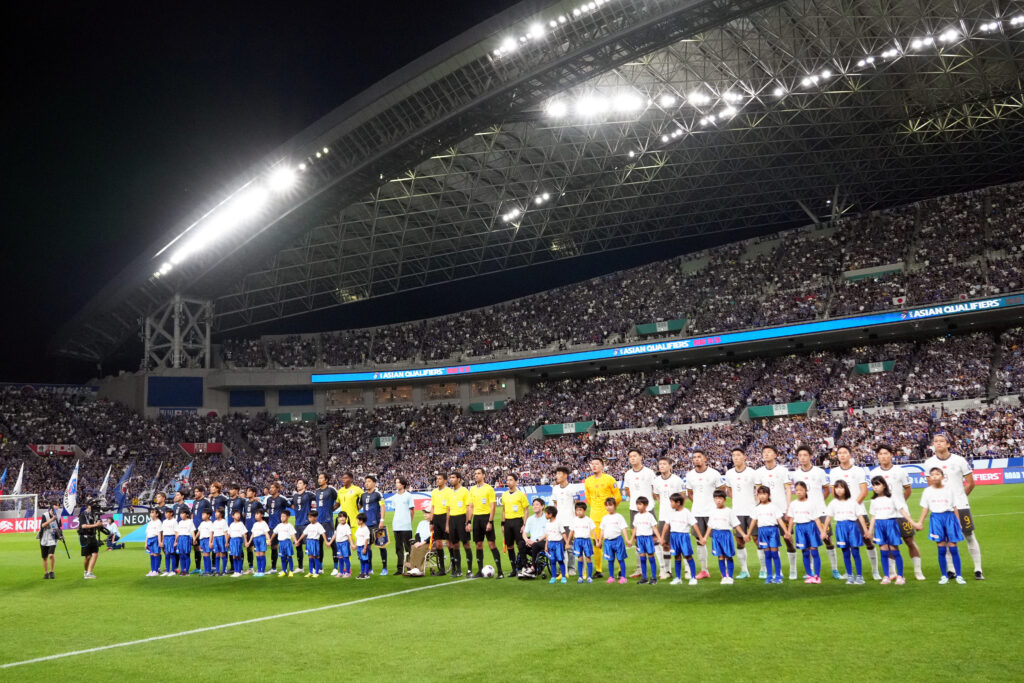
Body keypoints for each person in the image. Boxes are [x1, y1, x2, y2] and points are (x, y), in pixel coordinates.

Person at [923, 434, 983, 580]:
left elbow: (970, 482)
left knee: (969, 535)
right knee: (946, 538)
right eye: (936, 441)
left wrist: (960, 498)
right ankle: (951, 570)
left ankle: (978, 569)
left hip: (961, 506)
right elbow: (931, 486)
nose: (938, 444)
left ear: (948, 444)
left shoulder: (959, 460)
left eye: (942, 441)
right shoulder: (929, 463)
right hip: (941, 508)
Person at [871, 444, 925, 580]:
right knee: (888, 544)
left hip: (900, 514)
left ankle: (918, 571)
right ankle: (892, 572)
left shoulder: (900, 471)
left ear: (891, 455)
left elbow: (908, 490)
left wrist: (900, 504)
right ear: (877, 456)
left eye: (886, 453)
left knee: (909, 541)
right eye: (880, 454)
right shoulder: (873, 473)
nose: (883, 456)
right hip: (884, 516)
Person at [829, 445, 881, 580]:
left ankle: (875, 570)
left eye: (844, 452)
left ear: (850, 455)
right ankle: (849, 572)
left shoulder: (858, 471)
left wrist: (853, 506)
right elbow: (834, 492)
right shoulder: (834, 472)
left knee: (868, 540)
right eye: (839, 453)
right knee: (846, 544)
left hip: (859, 512)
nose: (842, 455)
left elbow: (864, 491)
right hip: (843, 514)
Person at [792, 445, 840, 580]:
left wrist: (818, 503)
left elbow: (826, 490)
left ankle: (834, 569)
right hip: (805, 515)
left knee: (828, 540)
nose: (802, 458)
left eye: (805, 455)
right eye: (800, 455)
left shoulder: (819, 472)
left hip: (820, 512)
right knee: (808, 543)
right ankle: (811, 571)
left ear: (810, 456)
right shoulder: (796, 474)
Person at [915, 467, 967, 585]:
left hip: (949, 518)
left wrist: (958, 522)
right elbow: (925, 508)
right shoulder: (927, 491)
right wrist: (920, 522)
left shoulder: (949, 490)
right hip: (936, 519)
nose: (934, 476)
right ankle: (944, 575)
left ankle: (959, 575)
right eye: (932, 475)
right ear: (929, 477)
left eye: (937, 474)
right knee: (941, 548)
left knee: (953, 547)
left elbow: (954, 507)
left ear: (943, 477)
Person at [867, 476, 922, 585]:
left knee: (894, 550)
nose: (875, 487)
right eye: (873, 485)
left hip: (891, 524)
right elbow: (873, 516)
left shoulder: (892, 498)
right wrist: (870, 531)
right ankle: (887, 576)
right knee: (883, 551)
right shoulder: (874, 500)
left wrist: (914, 523)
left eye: (878, 484)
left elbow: (902, 512)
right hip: (879, 526)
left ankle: (900, 576)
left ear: (884, 485)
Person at [756, 445, 796, 580]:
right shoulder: (759, 472)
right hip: (767, 513)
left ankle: (793, 569)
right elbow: (757, 491)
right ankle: (776, 572)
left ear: (775, 455)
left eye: (769, 452)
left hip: (782, 510)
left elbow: (788, 490)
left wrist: (788, 508)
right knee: (771, 543)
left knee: (788, 539)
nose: (766, 454)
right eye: (764, 452)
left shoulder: (782, 470)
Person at [685, 450, 723, 580]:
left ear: (705, 458)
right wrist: (698, 503)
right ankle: (704, 570)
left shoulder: (714, 473)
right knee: (700, 541)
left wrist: (714, 504)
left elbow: (722, 490)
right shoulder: (690, 475)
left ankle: (725, 570)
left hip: (713, 512)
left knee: (719, 540)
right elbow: (689, 492)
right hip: (697, 513)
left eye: (699, 457)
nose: (696, 459)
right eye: (694, 457)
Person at [823, 480, 869, 585]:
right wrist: (824, 531)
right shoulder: (833, 503)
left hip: (853, 527)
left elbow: (860, 516)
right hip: (840, 527)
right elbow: (828, 517)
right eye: (836, 488)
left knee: (855, 552)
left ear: (846, 489)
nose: (839, 490)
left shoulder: (853, 502)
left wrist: (865, 531)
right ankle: (850, 576)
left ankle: (860, 576)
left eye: (841, 487)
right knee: (845, 553)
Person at [724, 448, 758, 580]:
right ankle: (744, 570)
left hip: (752, 511)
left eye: (738, 455)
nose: (735, 458)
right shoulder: (729, 473)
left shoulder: (752, 473)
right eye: (733, 455)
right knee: (739, 541)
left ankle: (763, 569)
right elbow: (730, 491)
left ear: (744, 457)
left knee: (757, 539)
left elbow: (758, 490)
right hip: (737, 512)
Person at [698, 490, 745, 585]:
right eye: (716, 499)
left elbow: (736, 524)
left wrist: (744, 535)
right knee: (720, 556)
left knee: (728, 556)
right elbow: (710, 526)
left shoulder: (729, 511)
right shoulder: (712, 512)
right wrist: (705, 538)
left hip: (726, 535)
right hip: (716, 535)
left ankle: (730, 577)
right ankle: (724, 576)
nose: (718, 501)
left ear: (724, 500)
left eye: (720, 498)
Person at [584, 458, 621, 578]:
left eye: (597, 464)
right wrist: (596, 508)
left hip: (608, 517)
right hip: (594, 517)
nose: (594, 466)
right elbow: (588, 498)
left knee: (613, 542)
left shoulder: (609, 479)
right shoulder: (588, 481)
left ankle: (620, 569)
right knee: (596, 543)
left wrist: (610, 509)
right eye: (592, 464)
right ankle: (598, 570)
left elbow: (618, 496)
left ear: (602, 466)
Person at [623, 449, 656, 578]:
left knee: (653, 538)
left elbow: (654, 489)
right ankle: (639, 569)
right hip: (634, 509)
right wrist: (635, 504)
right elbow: (628, 490)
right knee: (636, 538)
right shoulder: (628, 474)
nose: (632, 458)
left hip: (648, 508)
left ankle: (663, 569)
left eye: (635, 456)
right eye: (630, 456)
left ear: (641, 457)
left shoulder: (649, 472)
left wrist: (648, 503)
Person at [746, 485, 789, 584]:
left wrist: (786, 531)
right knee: (767, 554)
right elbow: (753, 521)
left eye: (764, 494)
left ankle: (778, 576)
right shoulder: (757, 508)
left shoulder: (774, 507)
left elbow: (779, 520)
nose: (762, 496)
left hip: (773, 530)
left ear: (768, 495)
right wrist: (748, 534)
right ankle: (769, 576)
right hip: (762, 531)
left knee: (774, 553)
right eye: (759, 494)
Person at [652, 456, 685, 580]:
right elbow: (656, 495)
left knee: (679, 543)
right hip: (663, 516)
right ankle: (667, 570)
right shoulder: (656, 481)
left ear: (670, 465)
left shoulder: (677, 480)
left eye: (664, 464)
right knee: (664, 543)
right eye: (660, 464)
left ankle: (686, 570)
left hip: (676, 517)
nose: (662, 466)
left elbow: (682, 496)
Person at [468, 468, 502, 578]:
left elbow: (493, 507)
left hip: (486, 517)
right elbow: (471, 506)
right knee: (478, 544)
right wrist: (468, 521)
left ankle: (500, 572)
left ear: (483, 475)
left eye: (478, 473)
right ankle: (480, 571)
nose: (476, 475)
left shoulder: (489, 489)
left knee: (492, 544)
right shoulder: (472, 489)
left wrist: (490, 521)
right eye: (475, 473)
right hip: (476, 519)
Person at [787, 481, 823, 584]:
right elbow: (791, 519)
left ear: (806, 491)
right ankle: (809, 575)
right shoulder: (793, 504)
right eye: (797, 490)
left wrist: (822, 532)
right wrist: (789, 532)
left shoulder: (811, 503)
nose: (798, 492)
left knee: (814, 551)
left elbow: (817, 519)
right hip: (799, 528)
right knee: (805, 552)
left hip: (811, 527)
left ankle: (817, 576)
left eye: (801, 490)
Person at [551, 466, 580, 577]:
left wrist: (576, 519)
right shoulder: (555, 489)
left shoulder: (573, 488)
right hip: (559, 522)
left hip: (570, 521)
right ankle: (562, 568)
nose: (557, 476)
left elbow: (577, 504)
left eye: (559, 474)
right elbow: (555, 505)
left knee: (570, 546)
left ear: (565, 475)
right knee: (559, 546)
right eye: (557, 474)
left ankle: (572, 568)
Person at [665, 492, 698, 586]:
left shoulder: (686, 512)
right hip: (674, 536)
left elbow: (694, 524)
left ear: (678, 502)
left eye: (672, 502)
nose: (670, 504)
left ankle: (693, 577)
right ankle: (678, 578)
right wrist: (663, 537)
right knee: (676, 556)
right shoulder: (670, 513)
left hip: (684, 537)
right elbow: (666, 525)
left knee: (688, 556)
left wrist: (701, 537)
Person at [500, 473, 529, 575]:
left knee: (520, 545)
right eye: (507, 480)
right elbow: (503, 510)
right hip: (508, 522)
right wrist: (502, 524)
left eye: (511, 480)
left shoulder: (521, 494)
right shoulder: (504, 495)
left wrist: (524, 524)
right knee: (509, 546)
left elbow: (526, 510)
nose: (508, 482)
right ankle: (514, 569)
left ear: (516, 482)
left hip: (518, 521)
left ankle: (524, 566)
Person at [358, 476, 387, 575]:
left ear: (374, 483)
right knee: (368, 547)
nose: (366, 483)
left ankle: (385, 568)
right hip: (366, 526)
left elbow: (382, 507)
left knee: (382, 545)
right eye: (366, 482)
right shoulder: (363, 495)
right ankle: (369, 568)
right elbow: (359, 507)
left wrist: (382, 520)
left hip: (377, 524)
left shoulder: (378, 494)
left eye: (369, 481)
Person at [597, 497, 629, 584]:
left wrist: (627, 539)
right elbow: (602, 530)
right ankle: (611, 577)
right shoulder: (604, 518)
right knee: (610, 560)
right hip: (607, 542)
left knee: (620, 559)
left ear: (614, 505)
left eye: (610, 505)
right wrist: (600, 541)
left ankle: (623, 577)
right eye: (606, 506)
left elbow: (624, 528)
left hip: (618, 540)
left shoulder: (619, 517)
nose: (608, 507)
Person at [445, 471, 472, 577]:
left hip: (462, 519)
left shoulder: (465, 491)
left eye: (453, 477)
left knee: (466, 544)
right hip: (452, 520)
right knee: (455, 544)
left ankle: (469, 570)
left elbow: (468, 508)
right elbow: (448, 510)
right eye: (450, 477)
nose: (451, 479)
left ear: (459, 479)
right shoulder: (449, 492)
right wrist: (447, 525)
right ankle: (458, 570)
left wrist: (468, 522)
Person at [631, 496, 661, 585]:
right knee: (642, 557)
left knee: (651, 556)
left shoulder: (649, 516)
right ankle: (644, 577)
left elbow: (654, 528)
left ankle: (654, 577)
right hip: (640, 539)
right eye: (637, 504)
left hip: (648, 538)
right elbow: (635, 528)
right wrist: (631, 539)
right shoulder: (636, 516)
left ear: (646, 505)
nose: (638, 506)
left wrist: (659, 538)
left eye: (640, 504)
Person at [337, 472, 363, 570]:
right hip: (344, 524)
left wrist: (359, 507)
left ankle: (364, 567)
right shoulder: (340, 491)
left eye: (346, 478)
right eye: (342, 478)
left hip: (356, 522)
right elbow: (337, 504)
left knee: (359, 545)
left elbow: (364, 498)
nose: (343, 480)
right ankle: (348, 568)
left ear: (351, 479)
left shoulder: (357, 489)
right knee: (345, 547)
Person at [315, 473, 339, 575]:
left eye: (321, 478)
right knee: (319, 545)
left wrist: (332, 509)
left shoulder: (331, 490)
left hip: (328, 521)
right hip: (318, 522)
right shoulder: (317, 492)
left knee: (332, 544)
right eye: (318, 478)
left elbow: (339, 500)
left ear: (326, 480)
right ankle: (320, 567)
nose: (319, 480)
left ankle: (335, 567)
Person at [392, 476, 415, 576]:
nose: (396, 484)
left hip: (406, 526)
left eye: (397, 483)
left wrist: (409, 522)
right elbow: (395, 510)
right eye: (396, 482)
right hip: (396, 525)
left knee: (408, 548)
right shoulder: (394, 497)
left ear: (403, 484)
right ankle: (400, 568)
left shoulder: (409, 496)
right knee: (398, 548)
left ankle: (410, 567)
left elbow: (412, 510)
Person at [567, 502, 595, 584]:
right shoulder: (574, 520)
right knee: (579, 558)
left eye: (580, 510)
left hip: (586, 541)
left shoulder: (588, 520)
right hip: (577, 541)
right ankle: (580, 577)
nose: (578, 512)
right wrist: (567, 542)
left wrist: (596, 540)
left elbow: (593, 531)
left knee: (588, 558)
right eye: (577, 510)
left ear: (584, 510)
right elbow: (571, 532)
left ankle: (589, 576)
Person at [429, 473, 452, 575]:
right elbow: (432, 507)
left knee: (449, 543)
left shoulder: (449, 492)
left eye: (440, 479)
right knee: (438, 544)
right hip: (437, 519)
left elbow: (449, 508)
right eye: (437, 479)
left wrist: (447, 524)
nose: (437, 480)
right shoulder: (434, 492)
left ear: (445, 481)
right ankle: (442, 569)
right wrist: (431, 521)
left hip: (445, 517)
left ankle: (454, 565)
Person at [291, 478, 315, 571]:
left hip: (306, 524)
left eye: (300, 483)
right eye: (297, 483)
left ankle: (313, 567)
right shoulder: (295, 496)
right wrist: (297, 510)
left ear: (305, 485)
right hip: (297, 524)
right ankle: (300, 567)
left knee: (310, 546)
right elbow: (291, 505)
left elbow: (318, 498)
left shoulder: (309, 494)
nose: (298, 485)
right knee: (298, 545)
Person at [264, 483, 288, 575]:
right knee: (273, 547)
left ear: (278, 489)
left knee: (282, 546)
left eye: (273, 487)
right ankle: (273, 568)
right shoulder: (269, 499)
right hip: (271, 526)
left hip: (281, 526)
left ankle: (284, 568)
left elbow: (290, 507)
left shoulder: (282, 499)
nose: (271, 489)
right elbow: (267, 509)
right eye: (270, 487)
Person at [78, 500, 105, 580]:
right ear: (88, 506)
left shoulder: (94, 514)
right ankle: (86, 571)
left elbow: (96, 524)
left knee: (95, 554)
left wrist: (100, 524)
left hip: (93, 536)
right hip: (85, 537)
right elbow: (82, 526)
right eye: (93, 504)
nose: (95, 506)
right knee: (88, 557)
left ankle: (89, 572)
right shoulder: (83, 514)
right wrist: (95, 525)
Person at [295, 510, 327, 577]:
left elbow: (323, 534)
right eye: (309, 517)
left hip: (315, 542)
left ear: (315, 517)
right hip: (309, 542)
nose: (309, 518)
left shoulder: (318, 525)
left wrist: (326, 542)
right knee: (310, 557)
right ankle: (310, 572)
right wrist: (298, 541)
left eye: (311, 517)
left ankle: (317, 572)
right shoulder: (309, 525)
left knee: (316, 557)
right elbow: (304, 534)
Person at [521, 498, 548, 575]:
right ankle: (525, 566)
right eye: (533, 505)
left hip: (543, 541)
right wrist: (526, 540)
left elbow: (548, 533)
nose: (534, 506)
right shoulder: (530, 519)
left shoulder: (547, 518)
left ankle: (533, 567)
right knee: (521, 543)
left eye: (537, 505)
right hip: (532, 542)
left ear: (542, 506)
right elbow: (524, 533)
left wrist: (536, 541)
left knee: (535, 545)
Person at [189, 486, 211, 574]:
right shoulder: (194, 502)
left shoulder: (206, 502)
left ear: (202, 492)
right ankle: (198, 568)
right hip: (195, 528)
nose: (195, 493)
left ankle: (208, 568)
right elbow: (192, 513)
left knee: (205, 548)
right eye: (195, 491)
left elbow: (210, 513)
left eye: (197, 491)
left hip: (203, 528)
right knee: (195, 547)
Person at [543, 506, 567, 584]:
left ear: (550, 514)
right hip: (550, 544)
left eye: (546, 513)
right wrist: (546, 545)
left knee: (560, 560)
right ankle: (553, 577)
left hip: (558, 544)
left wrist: (566, 543)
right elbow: (547, 536)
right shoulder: (547, 524)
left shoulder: (558, 523)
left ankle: (563, 577)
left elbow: (563, 533)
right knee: (552, 561)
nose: (545, 515)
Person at [243, 486, 264, 574]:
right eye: (247, 491)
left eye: (248, 491)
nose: (247, 493)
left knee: (258, 549)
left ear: (253, 493)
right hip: (247, 528)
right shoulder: (246, 503)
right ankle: (251, 567)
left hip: (256, 529)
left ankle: (261, 569)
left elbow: (263, 513)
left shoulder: (257, 503)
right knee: (249, 548)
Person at [37, 502, 61, 580]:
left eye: (58, 506)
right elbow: (43, 525)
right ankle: (46, 572)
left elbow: (59, 527)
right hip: (44, 537)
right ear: (52, 506)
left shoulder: (58, 516)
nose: (58, 507)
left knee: (51, 555)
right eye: (56, 505)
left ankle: (52, 571)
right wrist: (51, 520)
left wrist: (61, 535)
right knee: (44, 557)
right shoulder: (45, 515)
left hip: (53, 537)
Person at [273, 509, 298, 577]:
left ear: (288, 517)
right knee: (282, 557)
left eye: (284, 516)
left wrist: (295, 541)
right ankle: (284, 571)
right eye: (281, 516)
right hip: (281, 543)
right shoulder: (279, 525)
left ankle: (291, 571)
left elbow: (293, 534)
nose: (282, 518)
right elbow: (274, 533)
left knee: (289, 557)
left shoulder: (289, 525)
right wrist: (270, 540)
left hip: (287, 542)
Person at [248, 509, 270, 577]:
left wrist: (268, 540)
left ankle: (262, 571)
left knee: (262, 555)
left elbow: (266, 533)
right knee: (257, 555)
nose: (256, 516)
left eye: (258, 514)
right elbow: (253, 533)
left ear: (262, 515)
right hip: (256, 539)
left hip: (262, 539)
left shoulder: (264, 523)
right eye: (255, 514)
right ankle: (259, 570)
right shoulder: (255, 524)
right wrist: (249, 541)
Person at [174, 509, 196, 576]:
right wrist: (175, 541)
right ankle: (182, 570)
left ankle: (187, 570)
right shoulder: (180, 522)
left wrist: (194, 539)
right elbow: (177, 533)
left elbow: (192, 531)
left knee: (186, 555)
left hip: (186, 538)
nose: (181, 515)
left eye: (183, 513)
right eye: (180, 513)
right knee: (181, 555)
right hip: (180, 539)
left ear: (187, 514)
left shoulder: (190, 522)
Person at [332, 511, 353, 578]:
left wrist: (352, 544)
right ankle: (341, 572)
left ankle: (348, 572)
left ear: (346, 518)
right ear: (338, 518)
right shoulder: (338, 526)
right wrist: (330, 542)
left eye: (343, 517)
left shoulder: (347, 526)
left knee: (346, 558)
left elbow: (349, 535)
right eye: (340, 517)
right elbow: (335, 535)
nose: (342, 518)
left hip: (345, 544)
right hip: (338, 544)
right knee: (340, 559)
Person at [227, 510, 247, 577]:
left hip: (238, 540)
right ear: (233, 516)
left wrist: (245, 541)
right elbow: (228, 534)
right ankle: (235, 571)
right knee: (233, 556)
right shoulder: (231, 524)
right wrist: (227, 542)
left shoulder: (241, 524)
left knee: (238, 555)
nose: (238, 515)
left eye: (239, 514)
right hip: (232, 540)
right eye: (236, 514)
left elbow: (244, 534)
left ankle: (239, 571)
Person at [144, 506, 163, 577]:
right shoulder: (150, 523)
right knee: (151, 555)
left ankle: (156, 570)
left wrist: (160, 542)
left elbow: (159, 533)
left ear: (157, 514)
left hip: (155, 539)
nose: (151, 514)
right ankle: (152, 570)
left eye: (152, 512)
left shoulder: (158, 522)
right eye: (150, 512)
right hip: (150, 539)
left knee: (156, 554)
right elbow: (147, 534)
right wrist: (146, 543)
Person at [212, 507, 229, 575]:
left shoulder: (224, 522)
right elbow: (213, 532)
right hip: (216, 538)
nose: (215, 514)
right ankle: (217, 570)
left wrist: (226, 542)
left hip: (222, 538)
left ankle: (224, 570)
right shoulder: (215, 522)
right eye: (215, 512)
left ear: (221, 514)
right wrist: (212, 541)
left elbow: (226, 532)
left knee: (223, 553)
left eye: (217, 512)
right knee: (217, 554)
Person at [196, 509, 214, 575]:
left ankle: (208, 570)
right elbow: (199, 531)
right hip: (202, 540)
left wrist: (210, 541)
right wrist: (195, 538)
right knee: (204, 555)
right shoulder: (202, 523)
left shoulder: (210, 523)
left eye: (204, 514)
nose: (202, 516)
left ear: (208, 515)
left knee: (207, 554)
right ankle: (206, 569)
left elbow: (211, 533)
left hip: (207, 539)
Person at [355, 512, 372, 580]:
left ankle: (366, 574)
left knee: (365, 560)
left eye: (358, 520)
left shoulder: (366, 529)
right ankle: (362, 572)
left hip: (363, 546)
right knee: (361, 560)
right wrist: (356, 545)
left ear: (361, 521)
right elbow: (356, 536)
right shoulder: (359, 528)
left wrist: (365, 548)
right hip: (359, 547)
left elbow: (366, 539)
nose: (357, 521)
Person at [161, 507, 177, 576]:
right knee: (167, 555)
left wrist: (175, 541)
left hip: (172, 537)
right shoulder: (164, 521)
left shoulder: (174, 521)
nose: (166, 514)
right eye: (165, 513)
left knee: (172, 555)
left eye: (167, 513)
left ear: (171, 514)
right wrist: (162, 541)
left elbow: (176, 532)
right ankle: (167, 570)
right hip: (166, 538)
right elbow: (163, 532)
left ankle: (173, 570)